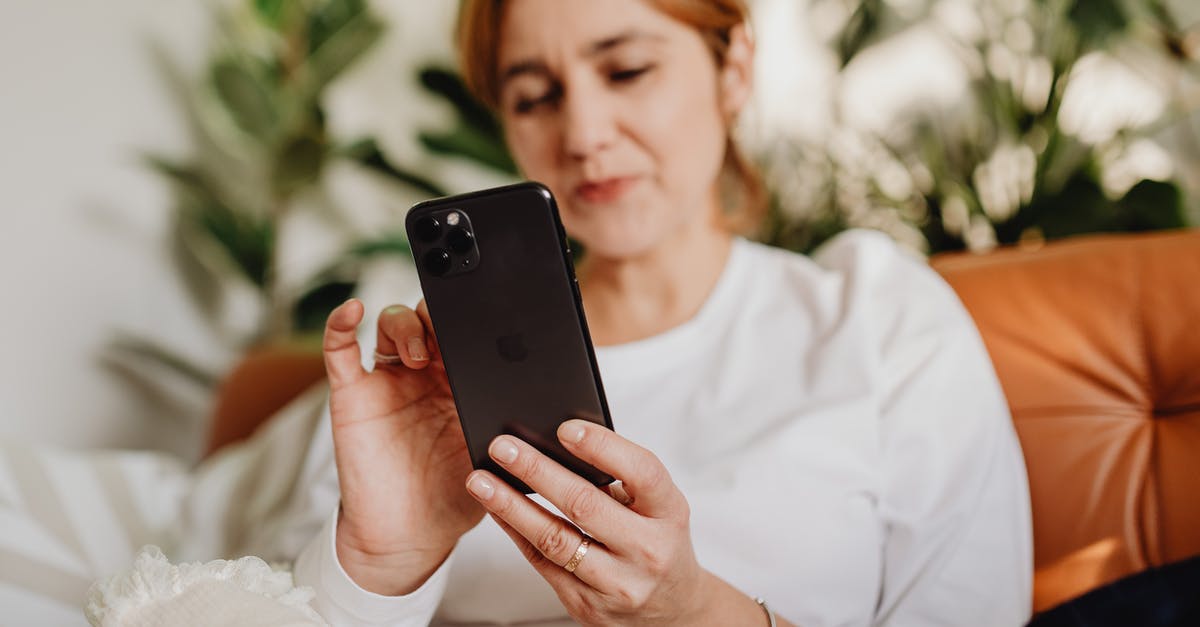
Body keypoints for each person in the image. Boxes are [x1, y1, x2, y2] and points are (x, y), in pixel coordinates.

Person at [290, 0, 1034, 625]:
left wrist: (695, 612)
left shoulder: (873, 316)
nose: (582, 135)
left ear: (733, 67)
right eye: (534, 95)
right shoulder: (439, 381)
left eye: (627, 70)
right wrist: (380, 566)